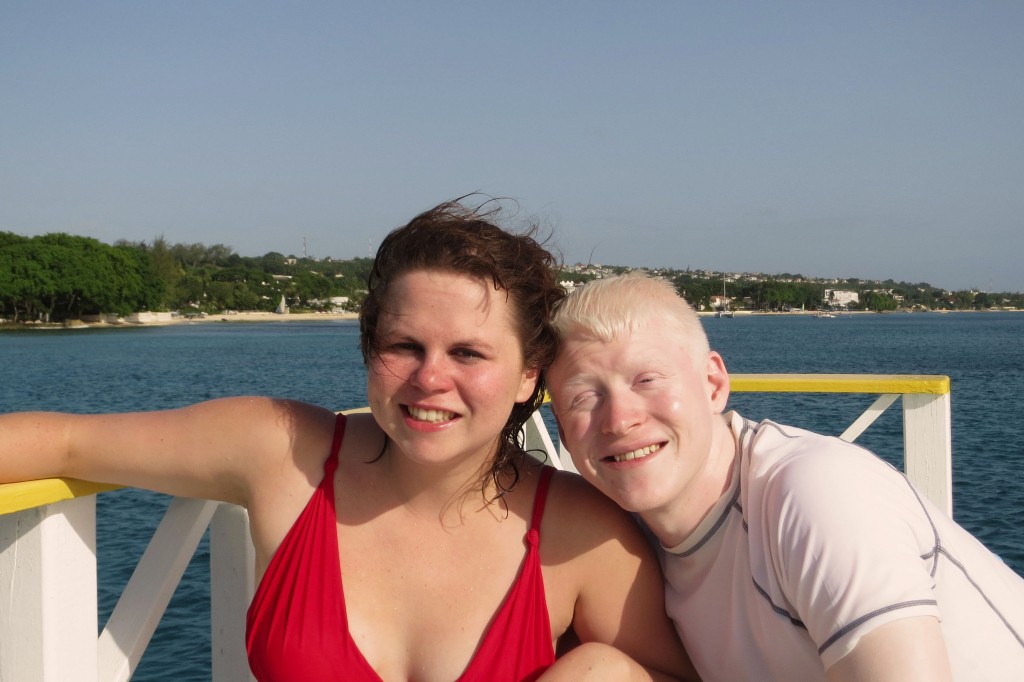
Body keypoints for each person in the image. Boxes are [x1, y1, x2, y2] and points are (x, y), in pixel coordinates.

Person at [0, 202, 697, 682]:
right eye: (403, 345)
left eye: (468, 354)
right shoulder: (282, 453)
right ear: (369, 350)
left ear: (526, 377)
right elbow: (62, 444)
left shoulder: (583, 535)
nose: (430, 379)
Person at [545, 272, 1024, 682]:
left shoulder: (817, 492)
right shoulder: (624, 541)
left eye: (647, 379)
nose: (618, 420)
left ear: (713, 384)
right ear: (564, 433)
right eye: (582, 398)